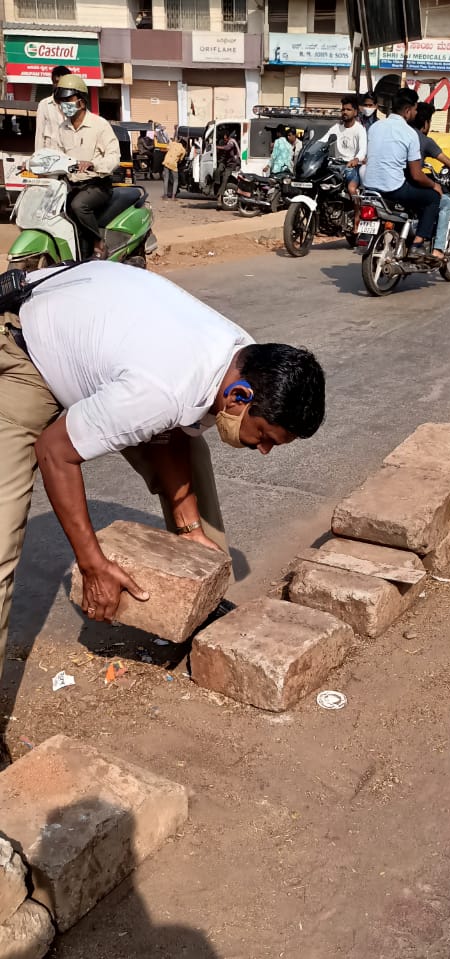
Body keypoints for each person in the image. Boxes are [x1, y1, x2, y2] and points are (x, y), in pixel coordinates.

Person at [0, 260, 326, 673]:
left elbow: (171, 431)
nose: (263, 451)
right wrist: (93, 564)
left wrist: (190, 529)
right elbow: (54, 452)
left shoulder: (242, 357)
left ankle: (199, 597)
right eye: (265, 437)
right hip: (26, 349)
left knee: (194, 458)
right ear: (239, 396)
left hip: (93, 343)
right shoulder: (162, 391)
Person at [364, 87, 442, 260]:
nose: (416, 113)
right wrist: (434, 185)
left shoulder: (375, 127)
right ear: (407, 110)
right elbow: (416, 175)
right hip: (393, 188)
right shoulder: (410, 134)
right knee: (432, 198)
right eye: (415, 109)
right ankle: (417, 245)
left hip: (369, 186)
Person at [53, 74, 120, 260]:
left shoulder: (99, 125)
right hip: (71, 184)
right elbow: (55, 155)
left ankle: (99, 243)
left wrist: (94, 165)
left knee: (78, 206)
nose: (63, 105)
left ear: (81, 102)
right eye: (61, 102)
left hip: (97, 184)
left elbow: (114, 156)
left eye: (67, 100)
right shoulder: (62, 129)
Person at [413, 101, 450, 259]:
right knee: (445, 201)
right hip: (411, 186)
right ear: (426, 123)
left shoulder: (401, 134)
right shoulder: (425, 140)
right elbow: (449, 162)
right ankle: (438, 249)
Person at [325, 96, 367, 202]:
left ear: (355, 112)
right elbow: (323, 140)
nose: (345, 112)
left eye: (348, 109)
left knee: (352, 189)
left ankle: (357, 212)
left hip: (352, 167)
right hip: (335, 166)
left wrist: (356, 159)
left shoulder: (359, 129)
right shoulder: (336, 128)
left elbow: (363, 149)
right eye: (343, 109)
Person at [34, 64, 70, 150]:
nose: (58, 86)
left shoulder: (73, 105)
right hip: (50, 154)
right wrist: (38, 155)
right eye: (55, 82)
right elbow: (39, 134)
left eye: (62, 83)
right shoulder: (44, 104)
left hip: (68, 154)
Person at [215, 129, 241, 206]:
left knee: (225, 179)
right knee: (217, 171)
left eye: (225, 137)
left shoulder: (231, 142)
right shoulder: (224, 142)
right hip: (226, 162)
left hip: (232, 164)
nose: (224, 139)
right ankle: (217, 186)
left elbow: (227, 148)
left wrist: (216, 147)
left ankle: (220, 196)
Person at [163, 133, 186, 199]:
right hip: (173, 164)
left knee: (166, 179)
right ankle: (173, 196)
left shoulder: (172, 143)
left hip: (166, 162)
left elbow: (166, 149)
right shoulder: (183, 150)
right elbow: (181, 160)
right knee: (176, 180)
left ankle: (165, 195)